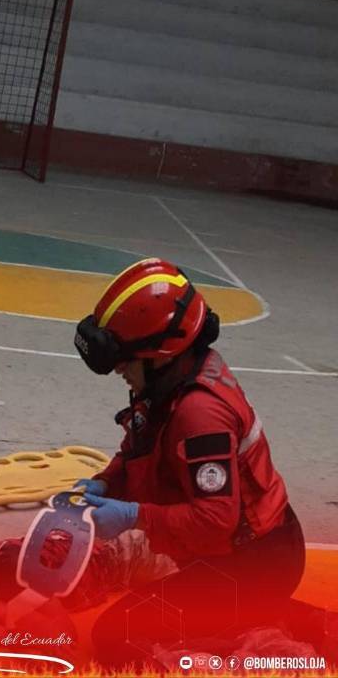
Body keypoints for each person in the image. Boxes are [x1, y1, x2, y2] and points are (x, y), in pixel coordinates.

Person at [71, 258, 328, 666]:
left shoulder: (199, 413)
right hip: (239, 555)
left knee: (119, 638)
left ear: (161, 354)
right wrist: (105, 483)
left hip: (256, 562)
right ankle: (272, 612)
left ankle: (274, 626)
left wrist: (133, 515)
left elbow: (214, 520)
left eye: (126, 359)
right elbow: (140, 448)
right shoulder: (168, 383)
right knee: (161, 618)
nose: (119, 369)